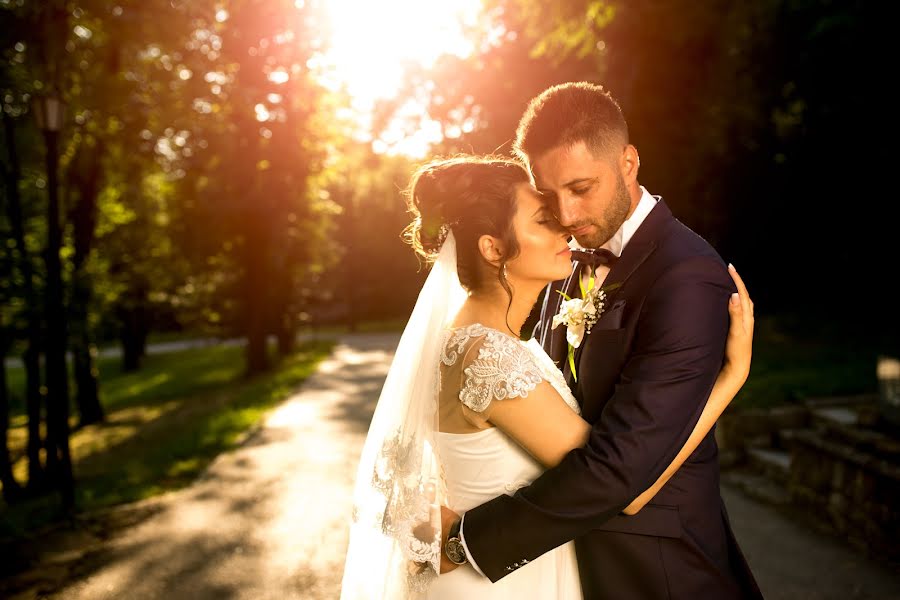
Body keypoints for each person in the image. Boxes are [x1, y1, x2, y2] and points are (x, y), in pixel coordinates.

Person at [340, 150, 754, 598]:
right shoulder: (491, 359)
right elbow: (625, 487)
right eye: (543, 220)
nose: (564, 225)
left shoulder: (484, 341)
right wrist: (729, 380)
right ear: (493, 248)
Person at [438, 82, 763, 599]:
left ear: (628, 163)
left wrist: (466, 541)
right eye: (550, 197)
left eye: (581, 188)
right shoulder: (562, 263)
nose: (565, 215)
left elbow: (621, 472)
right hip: (570, 568)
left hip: (658, 575)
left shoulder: (686, 278)